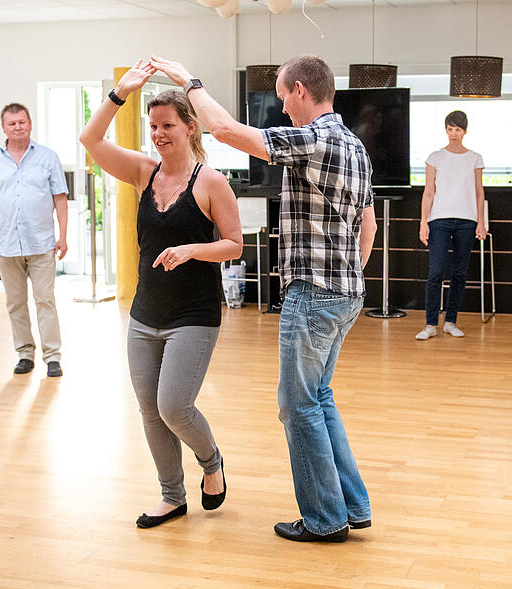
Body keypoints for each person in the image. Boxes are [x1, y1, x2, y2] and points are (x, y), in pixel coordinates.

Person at [151, 54, 378, 543]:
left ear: (300, 90)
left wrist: (190, 82)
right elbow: (369, 224)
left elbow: (226, 131)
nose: (281, 108)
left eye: (281, 97)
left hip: (314, 295)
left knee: (299, 407)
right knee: (320, 399)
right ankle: (352, 506)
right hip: (345, 295)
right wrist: (349, 281)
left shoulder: (315, 138)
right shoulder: (356, 146)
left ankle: (324, 519)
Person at [79, 59, 242, 529]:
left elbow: (234, 244)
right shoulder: (142, 173)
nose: (158, 134)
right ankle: (172, 497)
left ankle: (212, 464)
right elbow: (90, 141)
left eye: (167, 125)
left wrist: (192, 248)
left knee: (174, 407)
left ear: (191, 128)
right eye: (153, 127)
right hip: (144, 313)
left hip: (194, 314)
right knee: (150, 412)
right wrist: (119, 93)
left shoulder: (211, 182)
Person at [0, 103, 69, 378]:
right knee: (15, 303)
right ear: (3, 128)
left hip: (41, 243)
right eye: (12, 123)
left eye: (22, 122)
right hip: (5, 245)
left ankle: (52, 357)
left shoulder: (47, 157)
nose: (18, 127)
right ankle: (24, 354)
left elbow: (60, 200)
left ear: (30, 124)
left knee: (45, 300)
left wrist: (63, 236)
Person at [417, 110, 486, 340]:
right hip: (439, 220)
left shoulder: (474, 158)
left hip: (467, 221)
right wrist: (423, 223)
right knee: (436, 272)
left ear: (465, 131)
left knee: (459, 273)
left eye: (458, 129)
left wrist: (481, 222)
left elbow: (479, 191)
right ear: (445, 130)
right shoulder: (435, 157)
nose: (453, 134)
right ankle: (430, 324)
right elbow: (428, 192)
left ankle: (451, 320)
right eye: (450, 129)